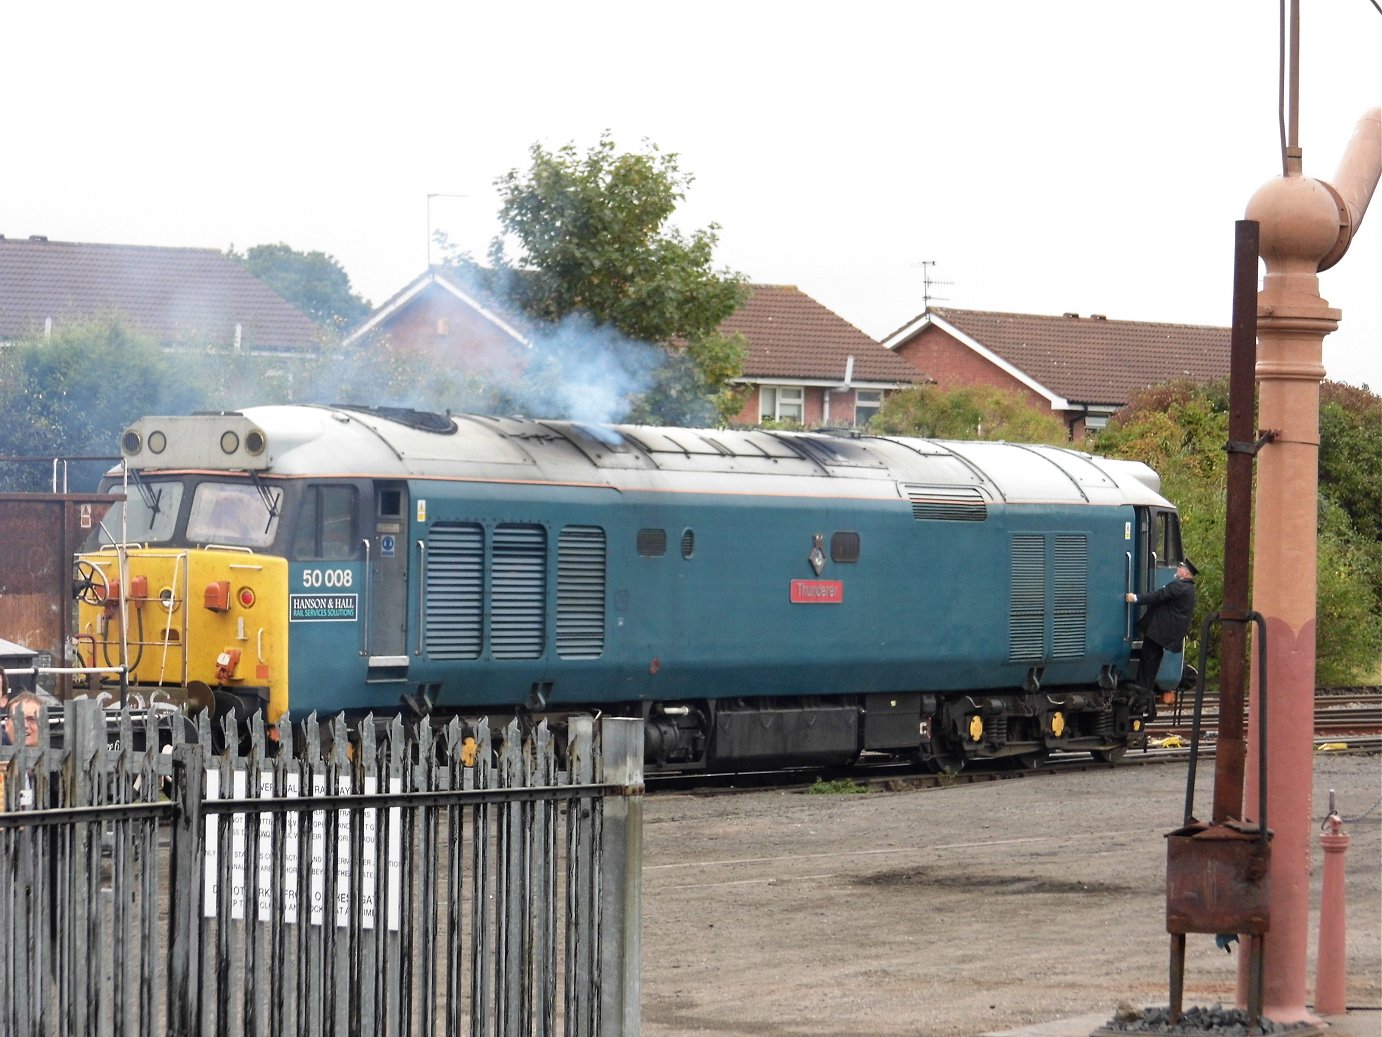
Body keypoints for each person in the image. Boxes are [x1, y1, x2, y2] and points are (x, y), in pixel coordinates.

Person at [1124, 559, 1198, 691]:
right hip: (1166, 633)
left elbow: (1158, 596)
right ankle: (1145, 688)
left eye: (1180, 567)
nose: (1177, 569)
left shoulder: (1179, 586)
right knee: (1154, 658)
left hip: (1159, 631)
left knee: (1148, 658)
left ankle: (1142, 688)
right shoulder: (1190, 589)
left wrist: (1136, 598)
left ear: (1186, 572)